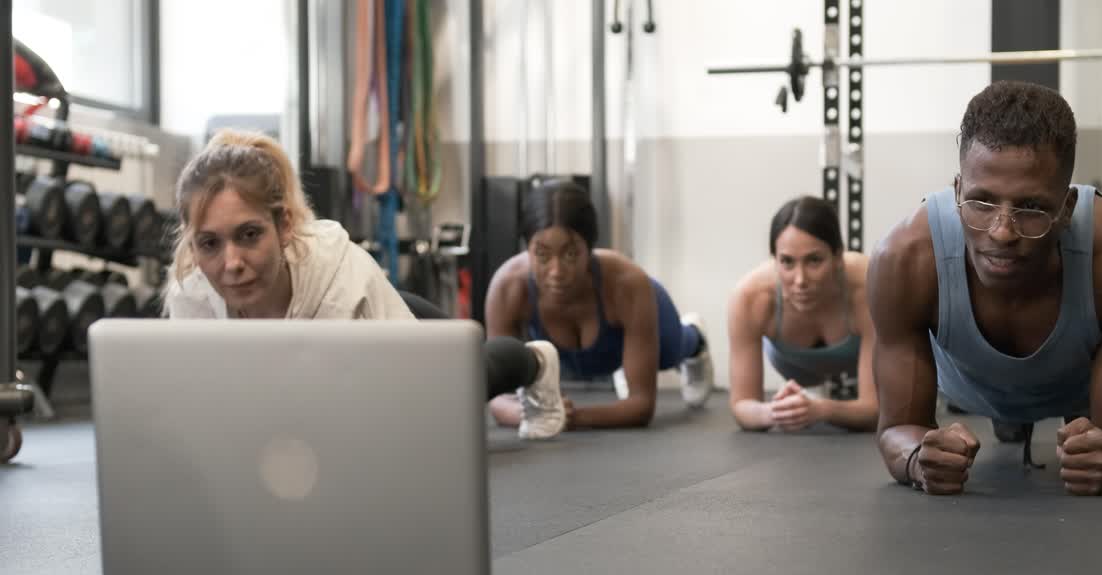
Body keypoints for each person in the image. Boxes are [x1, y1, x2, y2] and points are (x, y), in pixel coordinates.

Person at [162, 130, 567, 440]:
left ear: (283, 226)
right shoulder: (192, 294)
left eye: (249, 235)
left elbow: (393, 415)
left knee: (463, 381)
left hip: (384, 328)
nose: (232, 263)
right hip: (334, 360)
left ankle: (536, 361)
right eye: (210, 243)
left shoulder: (340, 274)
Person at [868, 80, 1102, 497]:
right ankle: (1009, 420)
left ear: (1067, 208)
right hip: (970, 386)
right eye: (981, 202)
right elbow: (898, 428)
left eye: (1031, 207)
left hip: (1075, 388)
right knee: (1007, 425)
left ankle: (1044, 421)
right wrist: (919, 457)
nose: (1002, 232)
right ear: (957, 191)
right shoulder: (904, 259)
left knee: (1086, 437)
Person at [484, 179, 713, 430]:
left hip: (647, 309)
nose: (556, 271)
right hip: (595, 349)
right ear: (527, 248)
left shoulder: (628, 284)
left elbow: (641, 405)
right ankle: (631, 360)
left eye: (571, 254)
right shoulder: (507, 288)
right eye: (542, 255)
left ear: (590, 248)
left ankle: (695, 340)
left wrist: (570, 418)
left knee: (668, 353)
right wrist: (531, 414)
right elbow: (498, 398)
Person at [726, 196, 878, 432]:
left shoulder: (868, 286)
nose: (800, 280)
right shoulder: (750, 296)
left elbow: (875, 410)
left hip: (856, 365)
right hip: (793, 368)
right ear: (774, 260)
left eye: (814, 261)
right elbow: (741, 404)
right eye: (787, 262)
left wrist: (823, 410)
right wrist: (774, 412)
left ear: (838, 257)